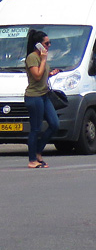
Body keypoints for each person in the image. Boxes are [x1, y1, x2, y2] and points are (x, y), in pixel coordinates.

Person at [24, 29, 59, 169]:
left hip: (44, 95)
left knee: (54, 124)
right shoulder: (32, 57)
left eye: (50, 43)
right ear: (38, 45)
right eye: (46, 43)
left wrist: (50, 74)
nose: (49, 45)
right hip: (34, 97)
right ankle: (32, 159)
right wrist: (44, 59)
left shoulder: (42, 57)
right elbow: (37, 76)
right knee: (36, 128)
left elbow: (42, 75)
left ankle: (38, 151)